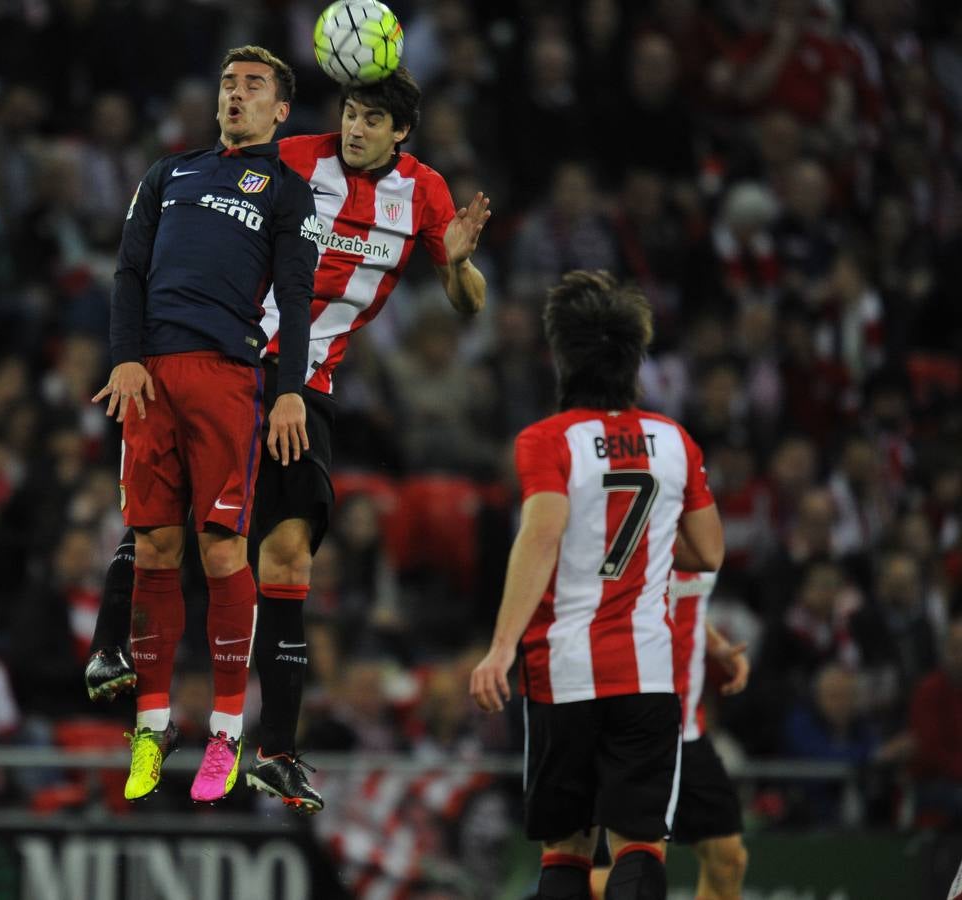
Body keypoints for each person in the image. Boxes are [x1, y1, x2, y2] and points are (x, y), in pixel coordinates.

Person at [84, 65, 491, 811]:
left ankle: (276, 749)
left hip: (310, 386)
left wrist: (458, 263)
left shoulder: (425, 194)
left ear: (401, 132)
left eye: (372, 120)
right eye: (349, 114)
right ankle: (117, 645)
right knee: (174, 524)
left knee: (290, 552)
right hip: (235, 363)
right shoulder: (295, 159)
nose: (354, 130)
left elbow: (468, 304)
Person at [89, 45, 316, 805]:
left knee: (222, 553)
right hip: (150, 375)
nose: (236, 95)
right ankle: (153, 728)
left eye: (253, 87)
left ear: (281, 110)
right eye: (228, 83)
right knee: (154, 546)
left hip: (226, 377)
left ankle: (226, 731)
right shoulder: (167, 174)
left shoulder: (286, 191)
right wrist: (124, 359)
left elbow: (294, 292)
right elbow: (128, 271)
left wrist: (290, 394)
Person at [469, 271, 724, 900]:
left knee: (567, 852)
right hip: (647, 675)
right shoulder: (674, 441)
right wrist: (651, 536)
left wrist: (501, 647)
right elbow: (710, 551)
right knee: (639, 844)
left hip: (564, 673)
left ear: (563, 357)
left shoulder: (546, 441)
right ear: (635, 360)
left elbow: (543, 533)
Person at [589, 571, 751, 900]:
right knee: (619, 870)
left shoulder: (703, 533)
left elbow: (685, 599)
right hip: (636, 726)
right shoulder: (640, 534)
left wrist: (715, 643)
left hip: (688, 728)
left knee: (728, 858)